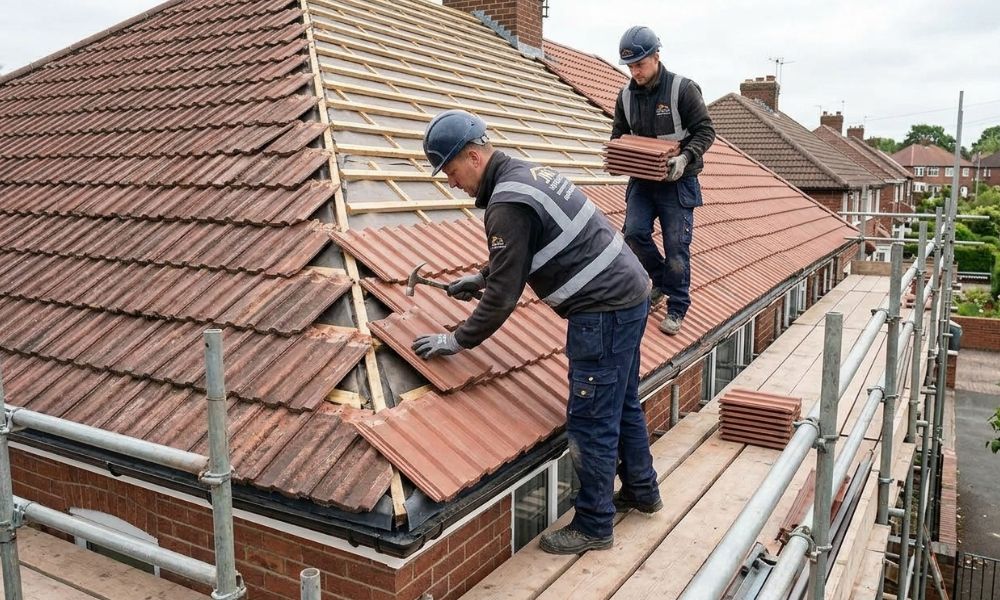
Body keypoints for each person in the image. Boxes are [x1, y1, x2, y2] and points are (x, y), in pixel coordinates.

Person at [411, 110, 662, 555]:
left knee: (590, 421)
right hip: (631, 294)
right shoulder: (524, 172)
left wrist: (456, 339)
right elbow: (527, 249)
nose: (451, 182)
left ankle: (593, 525)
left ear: (473, 156)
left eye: (450, 171)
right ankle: (643, 492)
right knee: (622, 402)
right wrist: (484, 274)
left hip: (601, 312)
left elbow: (504, 299)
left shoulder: (505, 203)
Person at [613, 25, 716, 336]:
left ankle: (677, 305)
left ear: (656, 56)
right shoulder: (625, 96)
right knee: (633, 233)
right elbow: (618, 135)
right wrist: (619, 156)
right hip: (643, 182)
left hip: (677, 183)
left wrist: (685, 158)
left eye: (640, 64)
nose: (635, 72)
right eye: (630, 66)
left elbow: (705, 131)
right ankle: (660, 280)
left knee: (676, 246)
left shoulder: (682, 90)